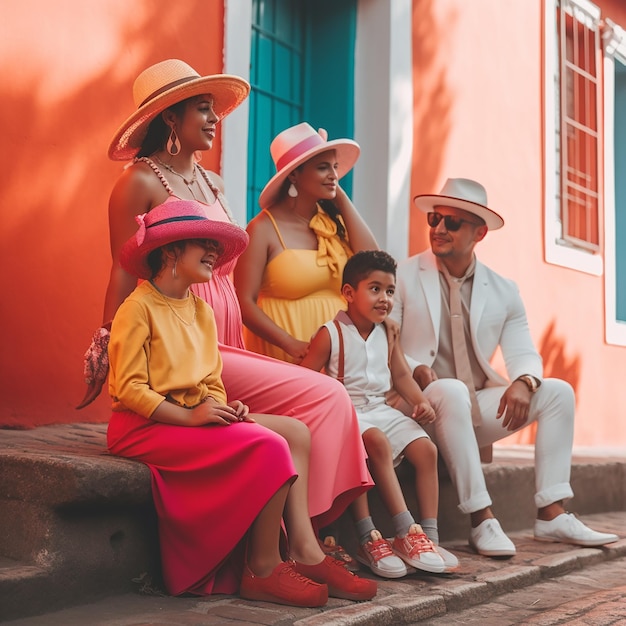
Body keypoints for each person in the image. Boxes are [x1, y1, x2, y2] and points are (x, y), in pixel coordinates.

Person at [77, 59, 373, 553]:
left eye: (215, 109)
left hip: (225, 344)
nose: (215, 119)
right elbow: (124, 269)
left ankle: (308, 532)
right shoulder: (139, 182)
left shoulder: (213, 182)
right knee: (326, 395)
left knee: (318, 403)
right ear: (170, 117)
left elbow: (225, 265)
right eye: (202, 108)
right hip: (182, 344)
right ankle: (309, 537)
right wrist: (108, 344)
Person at [107, 197, 376, 604]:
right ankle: (262, 568)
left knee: (296, 433)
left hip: (187, 416)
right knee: (269, 445)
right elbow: (129, 390)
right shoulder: (137, 308)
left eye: (217, 243)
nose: (215, 252)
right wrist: (191, 416)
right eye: (204, 242)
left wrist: (223, 406)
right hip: (143, 425)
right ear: (171, 250)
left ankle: (304, 551)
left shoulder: (199, 310)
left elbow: (211, 380)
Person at [388, 177, 620, 557]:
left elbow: (524, 352)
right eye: (434, 219)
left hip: (471, 410)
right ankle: (482, 520)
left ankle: (552, 513)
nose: (439, 229)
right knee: (451, 390)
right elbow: (386, 342)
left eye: (452, 222)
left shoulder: (503, 289)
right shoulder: (404, 275)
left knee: (557, 392)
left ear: (479, 232)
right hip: (418, 407)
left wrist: (525, 382)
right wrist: (415, 368)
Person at [301, 250, 459, 577]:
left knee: (426, 449)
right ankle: (385, 532)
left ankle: (428, 536)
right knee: (375, 442)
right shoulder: (329, 334)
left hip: (380, 408)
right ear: (348, 293)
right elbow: (304, 381)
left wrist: (420, 401)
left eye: (390, 291)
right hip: (345, 414)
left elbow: (400, 375)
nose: (384, 298)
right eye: (375, 289)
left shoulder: (388, 331)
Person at [234, 122, 378, 365]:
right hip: (287, 357)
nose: (333, 175)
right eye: (323, 168)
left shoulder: (333, 224)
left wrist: (340, 198)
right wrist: (289, 343)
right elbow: (243, 302)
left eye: (335, 167)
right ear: (294, 174)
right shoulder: (263, 228)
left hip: (341, 358)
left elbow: (373, 265)